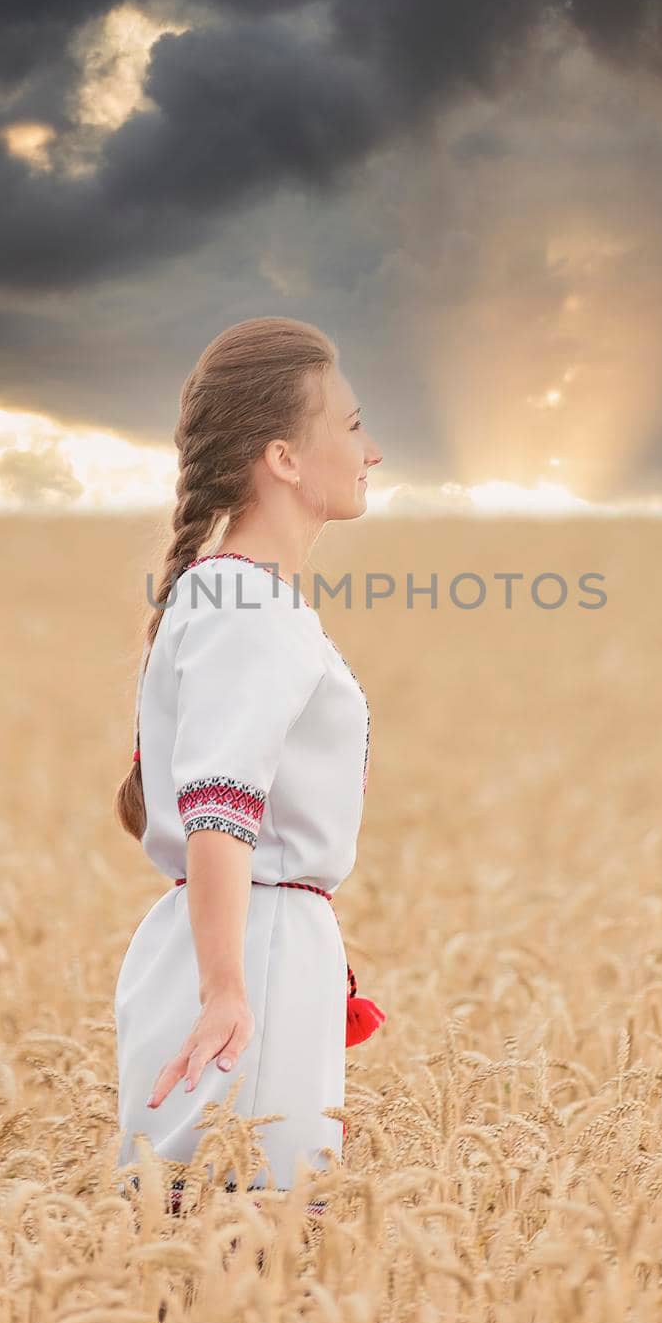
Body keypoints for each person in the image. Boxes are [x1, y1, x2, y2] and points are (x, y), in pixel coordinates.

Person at [112, 316, 384, 1203]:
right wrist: (228, 989)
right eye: (350, 426)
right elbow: (219, 810)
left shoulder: (230, 593)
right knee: (243, 1250)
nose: (372, 450)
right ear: (284, 458)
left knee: (217, 1257)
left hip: (255, 945)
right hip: (252, 952)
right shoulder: (247, 605)